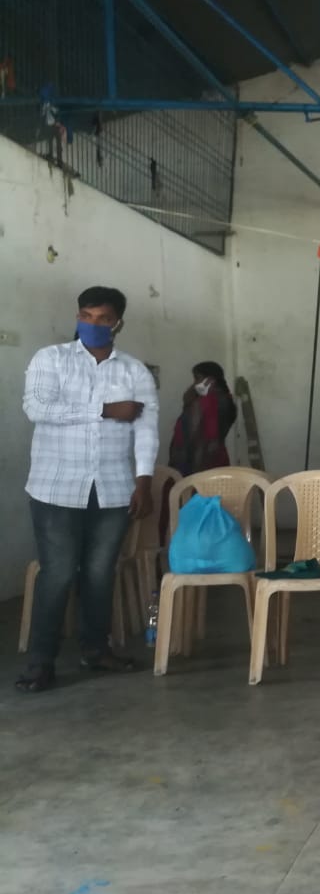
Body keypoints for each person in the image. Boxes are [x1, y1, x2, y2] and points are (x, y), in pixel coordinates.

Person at [18, 286, 158, 693]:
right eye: (86, 316)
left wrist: (144, 481)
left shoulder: (134, 372)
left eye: (102, 318)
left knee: (99, 575)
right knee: (58, 574)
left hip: (113, 489)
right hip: (55, 487)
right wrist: (103, 410)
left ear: (118, 323)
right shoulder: (52, 359)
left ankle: (95, 651)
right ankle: (40, 664)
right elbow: (37, 408)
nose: (92, 324)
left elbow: (146, 429)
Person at [168, 361, 238, 476]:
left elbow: (198, 436)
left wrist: (194, 470)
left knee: (192, 493)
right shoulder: (226, 399)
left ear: (210, 380)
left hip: (196, 462)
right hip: (215, 459)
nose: (195, 383)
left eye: (197, 378)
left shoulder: (206, 402)